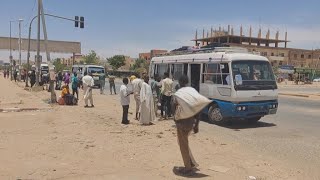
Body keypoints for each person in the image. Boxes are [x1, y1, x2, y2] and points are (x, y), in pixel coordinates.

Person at [172, 75, 206, 175]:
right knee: (183, 142)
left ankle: (188, 168)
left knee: (183, 145)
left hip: (182, 123)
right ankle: (191, 162)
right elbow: (198, 108)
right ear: (187, 82)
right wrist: (197, 125)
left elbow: (173, 107)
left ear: (179, 82)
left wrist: (175, 119)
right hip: (191, 122)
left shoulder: (178, 93)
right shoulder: (192, 91)